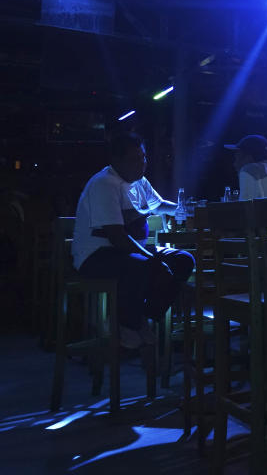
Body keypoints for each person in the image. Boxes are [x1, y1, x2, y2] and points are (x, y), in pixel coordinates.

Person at [73, 132, 195, 349]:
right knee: (144, 265)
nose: (142, 164)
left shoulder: (140, 181)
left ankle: (143, 318)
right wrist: (153, 258)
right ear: (116, 161)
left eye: (143, 157)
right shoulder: (104, 184)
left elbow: (157, 205)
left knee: (183, 260)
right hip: (96, 255)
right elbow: (117, 238)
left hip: (127, 252)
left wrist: (186, 209)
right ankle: (127, 324)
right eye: (135, 159)